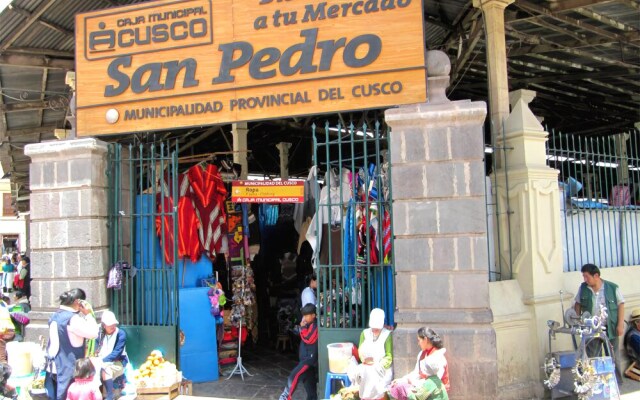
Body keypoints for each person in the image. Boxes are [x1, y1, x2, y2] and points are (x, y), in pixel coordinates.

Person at [46, 289, 99, 400]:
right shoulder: (73, 319)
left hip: (53, 366)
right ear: (77, 302)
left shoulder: (55, 316)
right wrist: (88, 314)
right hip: (68, 368)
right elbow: (93, 333)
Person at [573, 264, 625, 351]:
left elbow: (621, 305)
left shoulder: (612, 288)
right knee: (593, 356)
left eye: (587, 277)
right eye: (583, 277)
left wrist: (620, 325)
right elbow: (578, 304)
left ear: (596, 276)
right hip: (591, 328)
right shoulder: (583, 288)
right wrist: (578, 321)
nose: (585, 280)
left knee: (613, 356)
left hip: (610, 327)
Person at [388, 327, 449, 400]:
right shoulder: (422, 354)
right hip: (421, 388)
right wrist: (402, 380)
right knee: (397, 386)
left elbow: (434, 383)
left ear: (425, 340)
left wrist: (412, 384)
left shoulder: (439, 358)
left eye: (419, 340)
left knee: (406, 391)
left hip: (432, 393)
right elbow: (416, 373)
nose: (418, 343)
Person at [348, 308, 393, 400]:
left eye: (377, 328)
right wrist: (364, 359)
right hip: (366, 366)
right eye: (373, 327)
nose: (375, 330)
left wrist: (379, 365)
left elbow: (389, 356)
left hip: (381, 369)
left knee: (377, 385)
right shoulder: (364, 333)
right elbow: (360, 351)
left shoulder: (387, 335)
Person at [279, 303, 318, 400]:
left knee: (293, 377)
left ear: (313, 315)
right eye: (303, 315)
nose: (304, 318)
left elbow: (308, 338)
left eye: (306, 315)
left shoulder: (315, 326)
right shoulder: (308, 324)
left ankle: (284, 397)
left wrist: (302, 328)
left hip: (308, 360)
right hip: (306, 361)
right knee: (311, 390)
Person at [95, 310, 128, 400]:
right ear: (104, 325)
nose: (113, 327)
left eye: (114, 325)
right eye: (110, 325)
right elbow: (96, 348)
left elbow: (117, 353)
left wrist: (102, 361)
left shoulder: (120, 334)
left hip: (117, 362)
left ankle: (109, 396)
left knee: (106, 369)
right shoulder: (99, 333)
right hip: (101, 360)